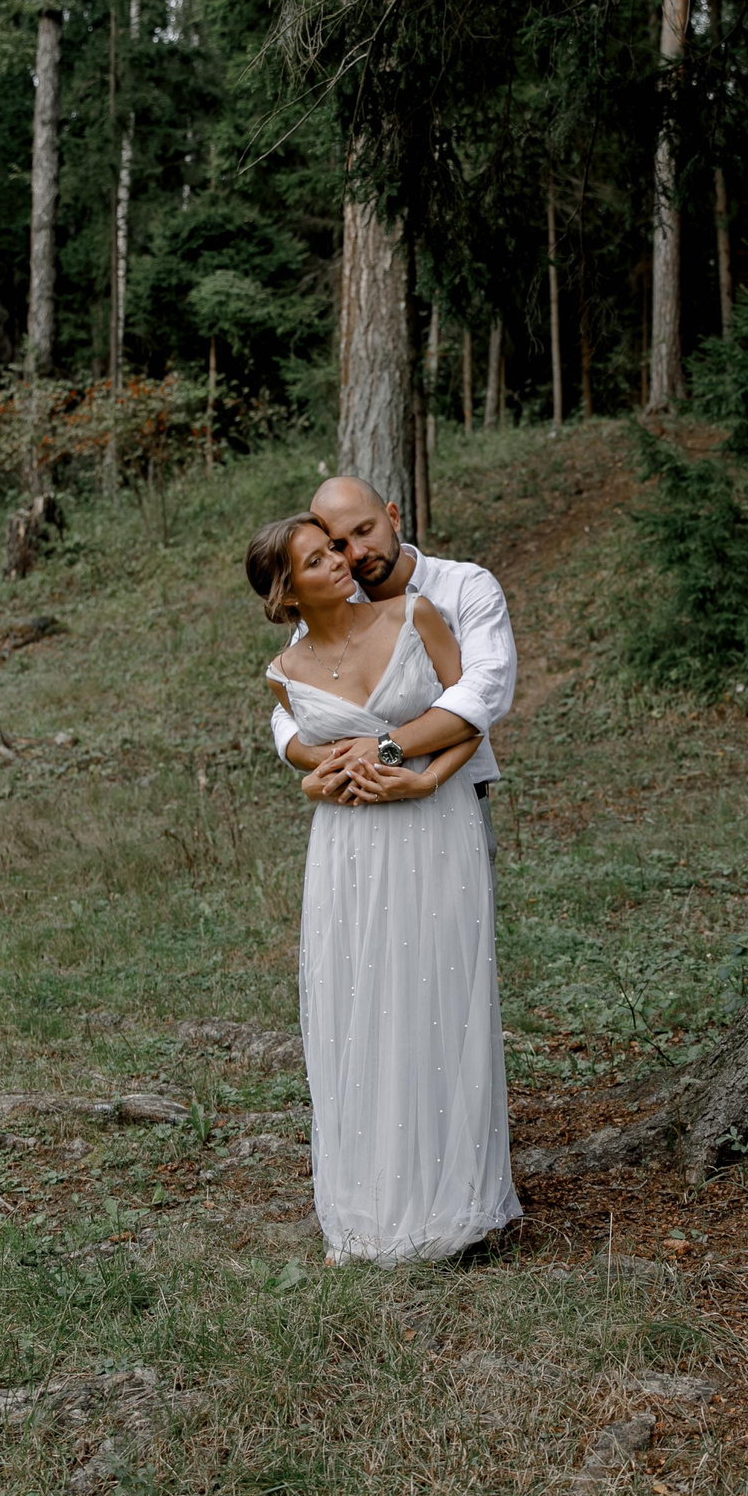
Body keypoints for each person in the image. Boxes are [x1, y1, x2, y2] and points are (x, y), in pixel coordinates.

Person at [247, 510, 523, 1264]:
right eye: (317, 559)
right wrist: (315, 781)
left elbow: (471, 715)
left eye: (337, 546)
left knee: (440, 995)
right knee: (357, 1004)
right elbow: (302, 749)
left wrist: (423, 778)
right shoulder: (283, 671)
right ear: (288, 593)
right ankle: (367, 1208)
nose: (340, 560)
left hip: (432, 823)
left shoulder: (417, 611)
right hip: (348, 848)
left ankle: (459, 1206)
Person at [271, 476, 515, 814]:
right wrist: (323, 763)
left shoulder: (466, 587)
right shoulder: (332, 605)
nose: (355, 554)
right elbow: (293, 706)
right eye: (338, 544)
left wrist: (386, 749)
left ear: (393, 517)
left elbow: (482, 695)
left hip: (455, 797)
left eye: (365, 530)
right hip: (359, 808)